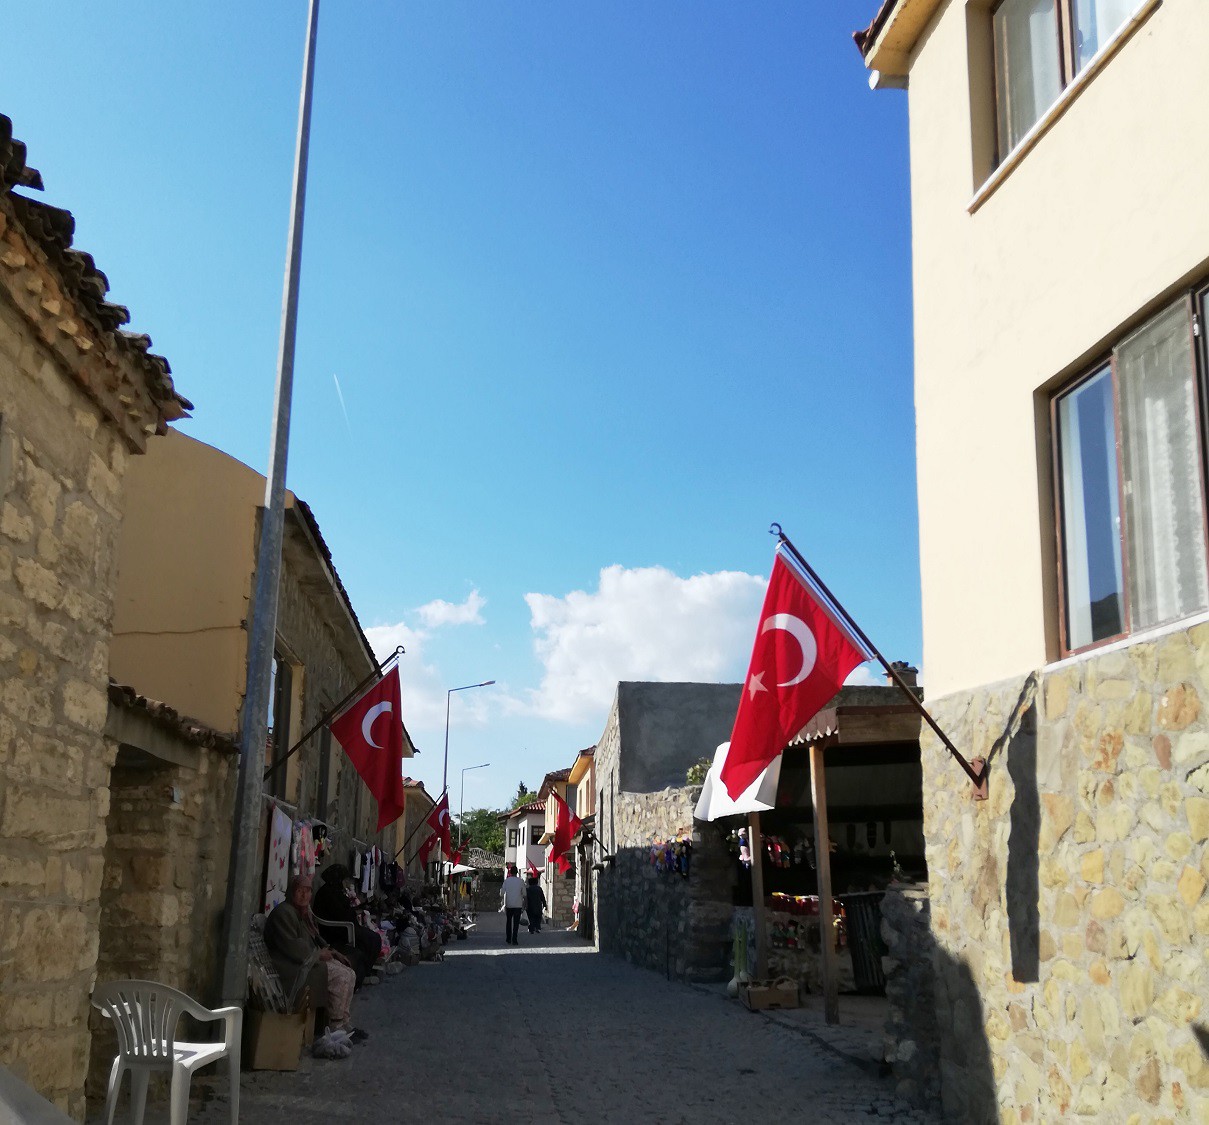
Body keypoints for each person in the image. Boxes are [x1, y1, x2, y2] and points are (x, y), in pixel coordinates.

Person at [265, 874, 366, 1042]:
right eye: (299, 891)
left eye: (308, 891)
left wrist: (332, 952)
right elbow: (292, 946)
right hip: (291, 968)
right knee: (340, 977)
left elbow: (314, 938)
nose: (304, 895)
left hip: (306, 960)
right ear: (291, 892)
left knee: (349, 973)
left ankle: (343, 1022)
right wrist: (318, 955)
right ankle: (335, 1026)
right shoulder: (284, 913)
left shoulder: (301, 913)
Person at [313, 863, 384, 985]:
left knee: (373, 938)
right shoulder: (328, 893)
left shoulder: (333, 891)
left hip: (344, 926)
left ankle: (365, 971)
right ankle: (365, 972)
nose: (344, 882)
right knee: (372, 939)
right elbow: (340, 913)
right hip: (336, 930)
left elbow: (344, 910)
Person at [500, 863, 525, 945]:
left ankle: (508, 938)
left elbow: (501, 893)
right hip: (518, 904)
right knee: (516, 923)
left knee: (509, 922)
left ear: (510, 872)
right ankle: (515, 939)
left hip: (509, 904)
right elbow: (524, 893)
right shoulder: (521, 881)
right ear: (517, 872)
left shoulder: (507, 881)